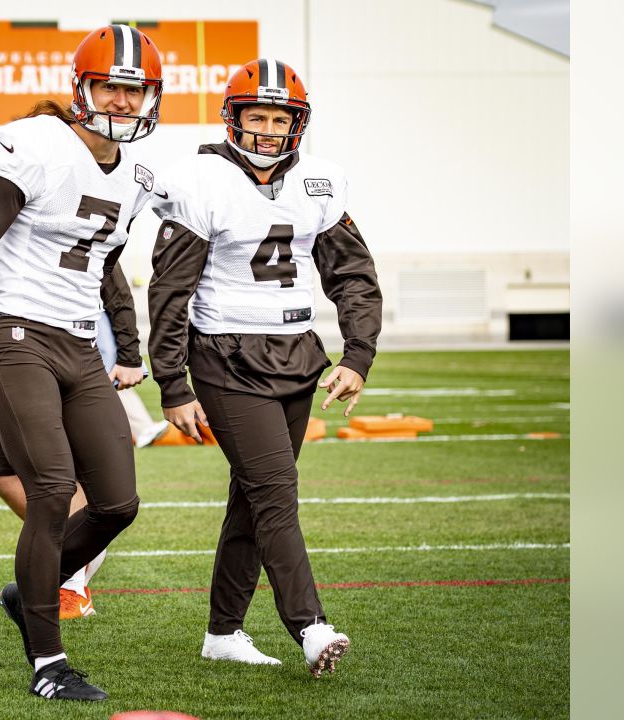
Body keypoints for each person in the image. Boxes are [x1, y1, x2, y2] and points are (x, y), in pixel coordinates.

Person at [0, 24, 162, 702]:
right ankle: (47, 664)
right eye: (110, 89)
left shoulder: (140, 176)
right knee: (49, 487)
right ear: (81, 88)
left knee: (118, 502)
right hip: (17, 333)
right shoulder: (37, 145)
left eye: (135, 92)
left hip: (77, 344)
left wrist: (127, 346)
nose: (122, 104)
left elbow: (106, 266)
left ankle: (28, 589)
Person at [148, 58, 382, 677]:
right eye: (257, 115)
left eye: (281, 117)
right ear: (234, 117)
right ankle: (309, 624)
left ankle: (222, 632)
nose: (269, 129)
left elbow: (353, 275)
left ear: (297, 123)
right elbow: (169, 293)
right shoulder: (200, 180)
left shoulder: (320, 182)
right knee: (276, 492)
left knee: (252, 502)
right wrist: (173, 382)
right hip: (227, 356)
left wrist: (357, 354)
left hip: (298, 355)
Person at [0, 259, 145, 620]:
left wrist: (130, 355)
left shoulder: (74, 214)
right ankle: (75, 548)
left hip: (72, 361)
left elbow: (116, 291)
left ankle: (71, 584)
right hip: (12, 358)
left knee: (62, 482)